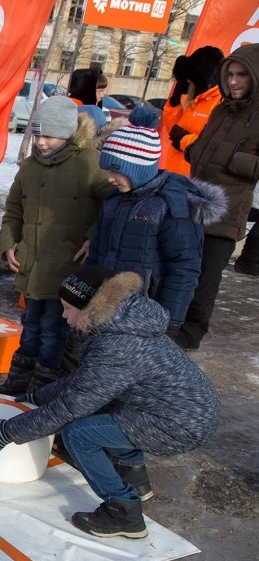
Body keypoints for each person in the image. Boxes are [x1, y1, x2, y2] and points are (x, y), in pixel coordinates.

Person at [0, 267, 220, 539]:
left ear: (89, 308)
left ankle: (123, 512)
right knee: (107, 409)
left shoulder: (116, 346)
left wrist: (10, 431)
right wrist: (39, 396)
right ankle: (135, 480)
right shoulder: (120, 323)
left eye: (68, 308)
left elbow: (71, 407)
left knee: (79, 433)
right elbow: (84, 383)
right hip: (179, 409)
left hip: (177, 424)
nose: (64, 315)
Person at [0, 96, 114, 394]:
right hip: (31, 264)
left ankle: (42, 391)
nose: (41, 143)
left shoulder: (89, 162)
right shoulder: (30, 167)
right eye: (37, 135)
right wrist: (9, 244)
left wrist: (92, 237)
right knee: (30, 326)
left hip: (66, 267)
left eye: (49, 135)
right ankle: (18, 382)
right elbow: (13, 211)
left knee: (54, 331)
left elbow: (115, 201)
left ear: (68, 133)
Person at [89, 105, 226, 332]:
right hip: (107, 306)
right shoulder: (114, 200)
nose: (111, 179)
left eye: (117, 171)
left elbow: (183, 267)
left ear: (138, 169)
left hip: (147, 310)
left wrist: (170, 318)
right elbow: (97, 251)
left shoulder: (171, 206)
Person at [175, 43, 259, 350]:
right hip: (197, 200)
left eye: (242, 75)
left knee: (206, 280)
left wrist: (233, 159)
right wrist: (193, 150)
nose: (234, 81)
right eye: (231, 74)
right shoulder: (222, 109)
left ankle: (190, 335)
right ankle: (174, 326)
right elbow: (205, 146)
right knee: (183, 270)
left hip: (226, 211)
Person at [162, 46, 224, 176]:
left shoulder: (219, 102)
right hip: (175, 172)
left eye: (191, 77)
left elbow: (215, 145)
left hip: (193, 179)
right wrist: (174, 102)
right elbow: (173, 130)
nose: (188, 81)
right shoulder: (196, 100)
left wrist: (184, 139)